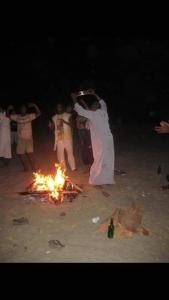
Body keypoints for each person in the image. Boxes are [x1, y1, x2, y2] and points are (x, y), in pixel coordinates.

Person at [71, 89, 115, 185]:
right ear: (92, 107)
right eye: (94, 104)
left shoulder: (103, 112)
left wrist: (94, 93)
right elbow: (79, 110)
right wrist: (74, 99)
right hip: (99, 142)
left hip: (108, 139)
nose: (96, 104)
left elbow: (102, 102)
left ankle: (107, 179)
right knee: (98, 161)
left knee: (109, 160)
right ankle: (94, 180)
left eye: (96, 104)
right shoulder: (91, 114)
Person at [10, 103, 41, 171]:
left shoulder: (30, 116)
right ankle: (26, 168)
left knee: (30, 154)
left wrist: (35, 105)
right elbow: (8, 116)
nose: (23, 110)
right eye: (22, 109)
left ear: (26, 110)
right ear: (20, 110)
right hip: (21, 138)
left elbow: (39, 113)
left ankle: (34, 168)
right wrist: (9, 109)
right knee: (20, 154)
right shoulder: (17, 116)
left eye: (24, 109)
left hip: (28, 138)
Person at [50, 103, 76, 171]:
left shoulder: (68, 115)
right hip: (59, 138)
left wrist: (64, 122)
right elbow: (53, 127)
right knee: (60, 154)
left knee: (70, 153)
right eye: (58, 106)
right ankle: (63, 168)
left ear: (62, 107)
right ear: (56, 108)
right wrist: (50, 126)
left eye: (60, 106)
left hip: (68, 137)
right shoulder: (54, 117)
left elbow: (73, 125)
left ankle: (73, 167)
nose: (59, 107)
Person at [76, 99, 93, 171]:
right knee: (83, 151)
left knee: (89, 151)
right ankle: (87, 167)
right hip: (81, 134)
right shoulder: (78, 116)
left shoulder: (87, 114)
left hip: (87, 134)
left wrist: (83, 102)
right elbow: (77, 127)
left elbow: (87, 109)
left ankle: (91, 167)